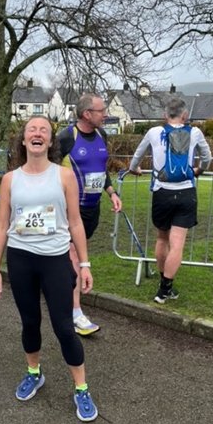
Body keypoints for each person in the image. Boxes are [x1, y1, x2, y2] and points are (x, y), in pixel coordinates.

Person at [0, 116, 98, 422]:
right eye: (31, 130)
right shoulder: (11, 179)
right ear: (23, 140)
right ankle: (34, 373)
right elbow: (0, 226)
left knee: (64, 327)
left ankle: (82, 388)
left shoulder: (63, 176)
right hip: (21, 258)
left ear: (50, 142)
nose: (37, 134)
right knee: (30, 322)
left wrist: (85, 263)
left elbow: (75, 222)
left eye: (44, 131)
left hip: (55, 260)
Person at [128, 97, 213, 304]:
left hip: (162, 192)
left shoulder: (154, 132)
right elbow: (207, 158)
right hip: (186, 193)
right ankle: (165, 289)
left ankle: (162, 283)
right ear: (185, 116)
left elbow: (137, 157)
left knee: (161, 240)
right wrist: (198, 170)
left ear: (165, 116)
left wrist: (134, 169)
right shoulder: (195, 133)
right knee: (177, 245)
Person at [56, 93, 123, 335]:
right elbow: (48, 170)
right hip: (68, 211)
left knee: (71, 258)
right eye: (101, 110)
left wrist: (112, 192)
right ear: (87, 114)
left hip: (92, 209)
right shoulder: (66, 137)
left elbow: (101, 170)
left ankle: (53, 285)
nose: (106, 114)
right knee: (76, 259)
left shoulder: (102, 135)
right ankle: (75, 313)